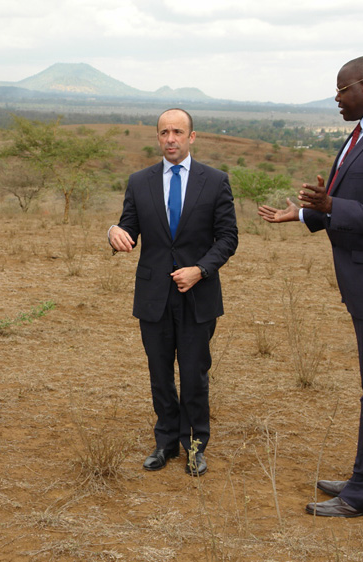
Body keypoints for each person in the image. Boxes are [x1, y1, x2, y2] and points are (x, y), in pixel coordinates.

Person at [258, 56, 363, 517]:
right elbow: (354, 200)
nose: (336, 99)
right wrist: (301, 213)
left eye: (341, 90)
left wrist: (332, 204)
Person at [109, 108, 238, 476]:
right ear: (157, 137)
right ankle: (165, 442)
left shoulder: (215, 181)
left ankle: (195, 445)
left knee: (195, 373)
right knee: (160, 372)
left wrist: (200, 270)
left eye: (178, 132)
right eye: (164, 132)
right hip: (153, 296)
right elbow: (128, 230)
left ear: (191, 137)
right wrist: (113, 233)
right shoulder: (139, 181)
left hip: (199, 296)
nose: (171, 138)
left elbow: (228, 238)